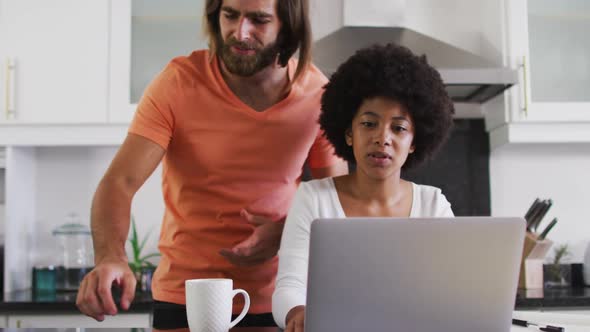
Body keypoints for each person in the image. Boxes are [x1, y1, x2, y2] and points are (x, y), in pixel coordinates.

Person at [75, 0, 347, 328]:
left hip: (280, 301)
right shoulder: (177, 83)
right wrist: (110, 257)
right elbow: (119, 183)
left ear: (288, 25)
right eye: (230, 15)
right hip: (186, 297)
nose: (240, 32)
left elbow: (334, 203)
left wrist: (284, 233)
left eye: (259, 20)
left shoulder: (318, 96)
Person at [272, 43, 456, 331]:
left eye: (399, 128)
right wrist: (297, 312)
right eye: (369, 124)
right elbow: (288, 287)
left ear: (414, 143)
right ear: (348, 134)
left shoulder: (434, 205)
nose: (382, 138)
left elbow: (451, 292)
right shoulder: (313, 198)